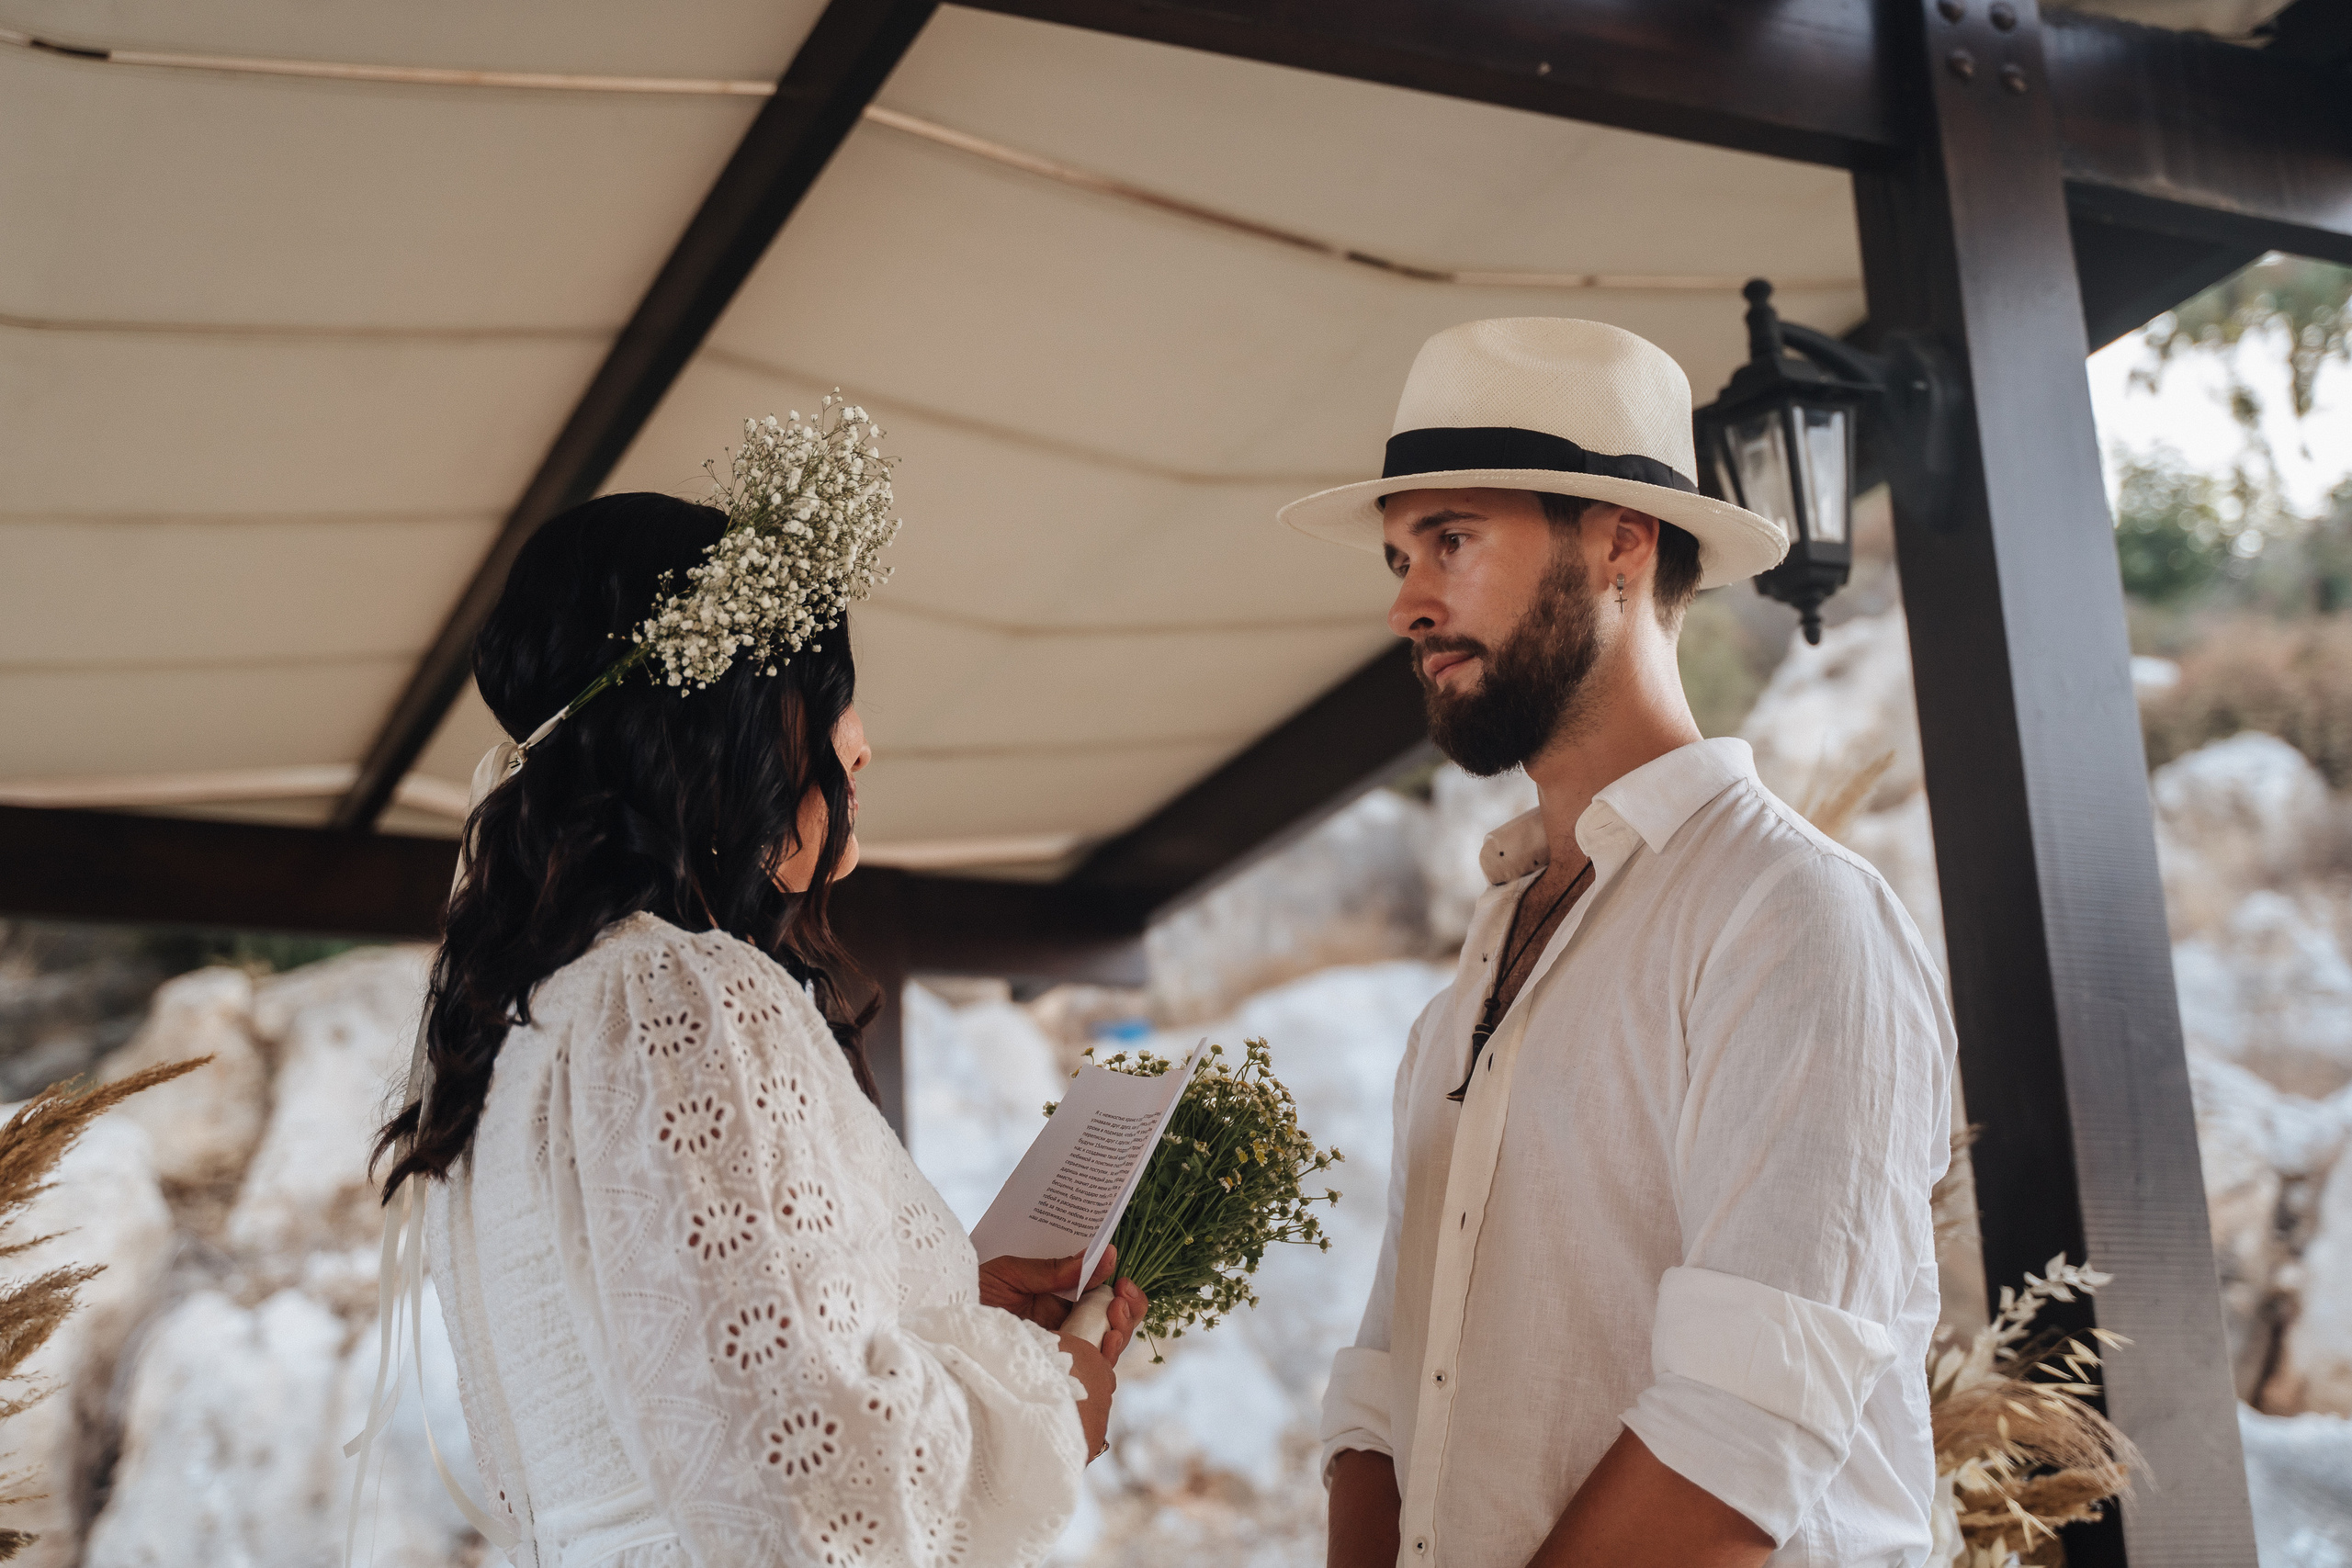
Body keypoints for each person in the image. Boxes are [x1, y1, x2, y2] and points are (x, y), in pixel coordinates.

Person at [365, 485, 1146, 1566]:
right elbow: (815, 1480)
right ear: (713, 717)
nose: (859, 746)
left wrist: (952, 1305)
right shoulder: (676, 998)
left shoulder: (526, 1021)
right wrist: (1055, 1402)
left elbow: (713, 1365)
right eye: (821, 693)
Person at [1281, 320, 1954, 1567]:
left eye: (1453, 540)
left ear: (1620, 544)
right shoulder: (1470, 979)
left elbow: (1740, 1429)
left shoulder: (1794, 916)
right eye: (1398, 553)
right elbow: (1381, 1393)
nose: (1405, 601)